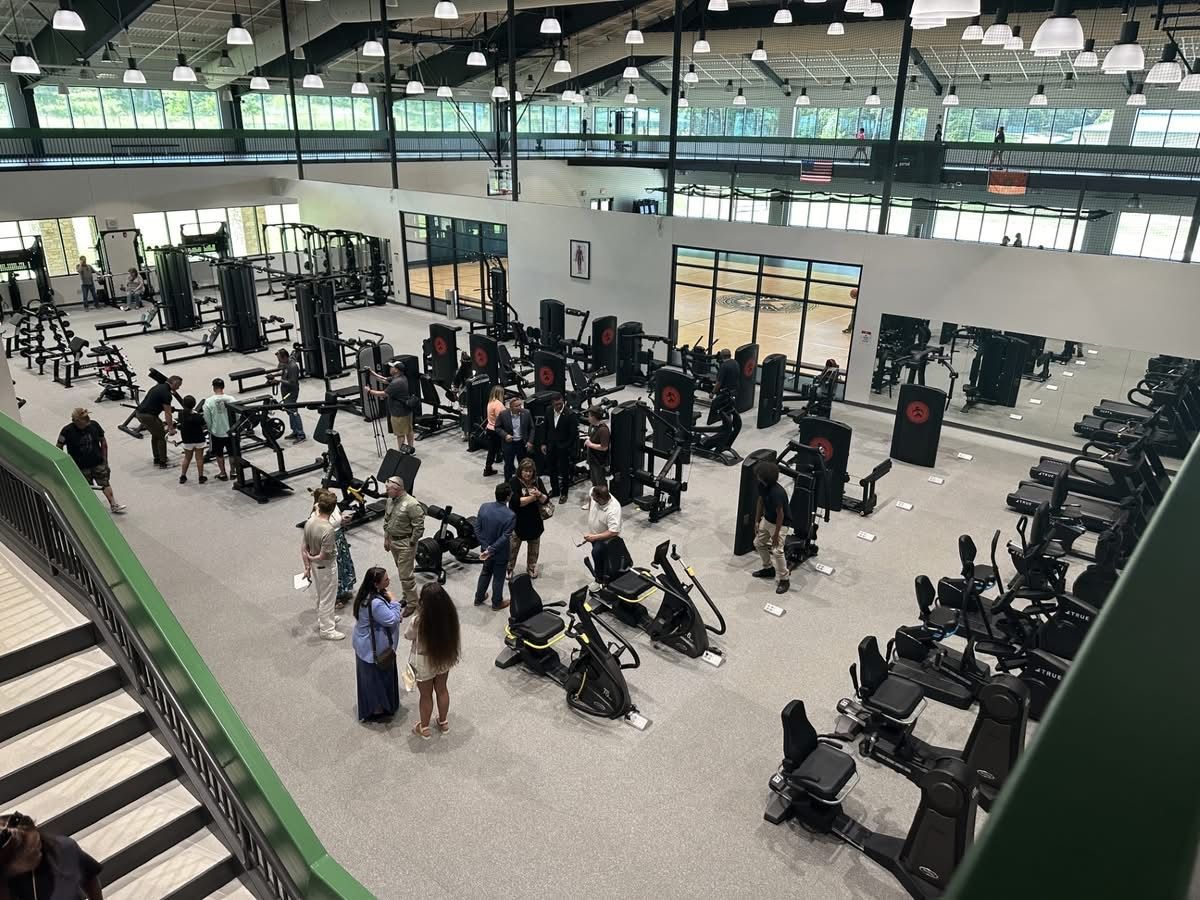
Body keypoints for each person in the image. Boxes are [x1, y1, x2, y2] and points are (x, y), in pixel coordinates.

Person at [1, 811, 104, 899]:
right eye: (30, 852)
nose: (39, 851)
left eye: (38, 842)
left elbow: (90, 878)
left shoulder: (64, 849)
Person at [405, 582, 461, 739]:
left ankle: (425, 728)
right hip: (444, 656)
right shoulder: (450, 615)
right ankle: (443, 722)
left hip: (423, 661)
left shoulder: (418, 620)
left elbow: (408, 635)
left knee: (426, 695)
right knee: (442, 689)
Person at [351, 566, 402, 722]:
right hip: (374, 649)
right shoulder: (375, 604)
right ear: (376, 583)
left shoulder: (365, 596)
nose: (389, 580)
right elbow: (392, 619)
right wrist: (394, 603)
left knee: (369, 680)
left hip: (363, 645)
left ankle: (376, 707)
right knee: (378, 679)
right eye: (386, 579)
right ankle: (379, 709)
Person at [56, 408, 125, 513]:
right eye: (83, 418)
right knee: (86, 489)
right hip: (80, 466)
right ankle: (89, 509)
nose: (87, 420)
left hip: (97, 462)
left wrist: (105, 460)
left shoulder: (94, 425)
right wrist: (65, 465)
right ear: (76, 421)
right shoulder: (67, 431)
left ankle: (113, 504)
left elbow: (103, 442)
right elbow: (58, 447)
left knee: (105, 483)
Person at [302, 492, 343, 640]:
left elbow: (303, 547)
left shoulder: (309, 522)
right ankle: (327, 629)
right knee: (328, 597)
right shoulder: (328, 529)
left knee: (321, 594)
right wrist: (313, 558)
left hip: (314, 567)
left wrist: (307, 565)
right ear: (332, 509)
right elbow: (324, 555)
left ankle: (325, 618)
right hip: (326, 566)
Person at [382, 475, 424, 609]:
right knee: (401, 571)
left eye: (388, 489)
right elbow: (387, 520)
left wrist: (412, 542)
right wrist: (386, 538)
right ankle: (407, 596)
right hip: (393, 542)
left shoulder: (412, 504)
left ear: (397, 488)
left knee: (406, 576)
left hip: (405, 543)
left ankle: (413, 603)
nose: (386, 491)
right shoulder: (390, 500)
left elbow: (419, 526)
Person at [752, 460, 792, 595]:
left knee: (777, 551)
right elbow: (760, 501)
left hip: (780, 523)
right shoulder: (761, 485)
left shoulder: (777, 492)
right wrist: (757, 520)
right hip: (768, 519)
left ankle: (784, 579)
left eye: (758, 474)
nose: (756, 475)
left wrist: (776, 534)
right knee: (758, 543)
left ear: (765, 477)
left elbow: (780, 514)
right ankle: (768, 568)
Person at [473, 482, 514, 610]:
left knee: (485, 572)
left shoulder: (484, 507)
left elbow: (477, 528)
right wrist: (492, 549)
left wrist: (486, 547)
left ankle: (478, 598)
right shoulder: (510, 515)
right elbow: (505, 536)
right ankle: (497, 603)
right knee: (498, 577)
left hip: (485, 550)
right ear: (508, 497)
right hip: (500, 552)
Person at [312, 488, 356, 606]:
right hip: (329, 543)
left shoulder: (334, 506)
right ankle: (334, 597)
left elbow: (337, 519)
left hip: (339, 539)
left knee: (343, 566)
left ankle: (343, 590)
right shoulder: (316, 516)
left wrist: (344, 520)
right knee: (332, 571)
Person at [508, 458, 549, 579]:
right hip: (518, 522)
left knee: (534, 550)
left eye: (530, 471)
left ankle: (531, 567)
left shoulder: (538, 481)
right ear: (520, 470)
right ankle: (509, 568)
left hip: (535, 521)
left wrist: (540, 495)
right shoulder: (513, 482)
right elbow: (516, 502)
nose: (528, 473)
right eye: (525, 470)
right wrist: (535, 497)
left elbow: (546, 499)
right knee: (512, 549)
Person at [366, 360, 416, 455]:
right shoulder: (401, 378)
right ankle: (410, 448)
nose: (390, 368)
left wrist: (369, 391)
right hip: (406, 411)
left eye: (392, 367)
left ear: (396, 370)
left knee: (400, 434)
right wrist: (372, 373)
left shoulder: (396, 383)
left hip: (399, 413)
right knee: (409, 430)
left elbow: (384, 394)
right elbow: (384, 379)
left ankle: (402, 451)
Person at [134, 374, 181, 468]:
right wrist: (171, 428)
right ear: (174, 383)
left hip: (140, 413)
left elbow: (155, 402)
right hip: (148, 416)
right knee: (161, 436)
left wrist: (167, 407)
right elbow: (168, 414)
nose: (179, 388)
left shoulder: (158, 386)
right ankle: (163, 462)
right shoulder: (167, 394)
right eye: (178, 385)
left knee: (156, 435)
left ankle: (157, 458)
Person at [541, 392, 579, 504]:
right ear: (552, 403)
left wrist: (565, 447)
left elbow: (573, 435)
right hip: (551, 446)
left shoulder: (570, 414)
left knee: (564, 471)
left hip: (563, 448)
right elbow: (545, 428)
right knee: (552, 469)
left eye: (560, 403)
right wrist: (543, 443)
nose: (559, 406)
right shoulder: (548, 410)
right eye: (556, 404)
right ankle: (555, 490)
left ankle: (564, 493)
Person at [583, 483, 622, 590]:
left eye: (596, 500)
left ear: (603, 498)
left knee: (599, 555)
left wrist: (594, 538)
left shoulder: (613, 510)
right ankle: (602, 577)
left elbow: (614, 532)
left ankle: (600, 580)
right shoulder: (594, 493)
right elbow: (591, 495)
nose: (594, 500)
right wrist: (591, 509)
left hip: (606, 539)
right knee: (598, 556)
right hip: (594, 535)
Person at [201, 378, 236, 481]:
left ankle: (223, 473)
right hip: (231, 431)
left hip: (217, 432)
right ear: (223, 387)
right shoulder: (231, 399)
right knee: (232, 453)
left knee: (219, 453)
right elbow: (238, 414)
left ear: (213, 387)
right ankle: (233, 472)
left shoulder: (209, 401)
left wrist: (211, 428)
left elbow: (207, 418)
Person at [267, 348, 305, 443]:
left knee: (293, 412)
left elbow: (292, 382)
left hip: (291, 392)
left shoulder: (293, 366)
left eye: (280, 359)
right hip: (285, 391)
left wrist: (279, 380)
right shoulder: (286, 364)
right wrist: (274, 375)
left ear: (285, 357)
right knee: (289, 411)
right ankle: (295, 431)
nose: (279, 361)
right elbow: (283, 372)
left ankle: (301, 434)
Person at [495, 395, 533, 482]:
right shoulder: (503, 414)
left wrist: (530, 441)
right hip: (509, 444)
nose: (519, 407)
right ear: (510, 407)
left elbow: (532, 428)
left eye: (520, 405)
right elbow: (497, 427)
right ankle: (507, 484)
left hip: (521, 443)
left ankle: (523, 482)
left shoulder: (526, 413)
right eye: (517, 406)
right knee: (508, 465)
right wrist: (505, 435)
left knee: (523, 465)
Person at [581, 406, 610, 509]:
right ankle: (592, 503)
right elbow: (592, 438)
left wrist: (590, 444)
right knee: (593, 483)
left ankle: (606, 504)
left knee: (601, 485)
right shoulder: (592, 426)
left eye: (589, 416)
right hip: (592, 460)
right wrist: (589, 438)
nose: (587, 418)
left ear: (594, 417)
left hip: (599, 462)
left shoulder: (603, 430)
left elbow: (604, 447)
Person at [176, 395, 207, 485]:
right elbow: (203, 424)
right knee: (199, 459)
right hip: (199, 439)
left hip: (187, 440)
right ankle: (201, 477)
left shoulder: (181, 414)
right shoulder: (197, 416)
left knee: (187, 458)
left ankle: (183, 476)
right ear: (194, 404)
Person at [482, 385, 506, 477]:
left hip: (490, 428)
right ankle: (510, 468)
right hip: (497, 431)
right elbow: (502, 418)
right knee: (506, 450)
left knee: (492, 451)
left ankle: (488, 468)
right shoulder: (498, 405)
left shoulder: (490, 402)